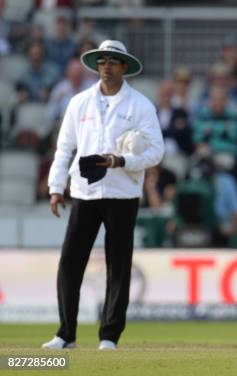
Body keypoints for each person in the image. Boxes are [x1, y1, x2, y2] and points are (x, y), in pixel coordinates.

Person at [43, 40, 164, 350]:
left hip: (122, 193)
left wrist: (123, 161)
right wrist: (56, 188)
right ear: (97, 66)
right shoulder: (79, 103)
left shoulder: (140, 105)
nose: (106, 66)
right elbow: (65, 148)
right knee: (70, 262)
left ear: (124, 67)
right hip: (85, 191)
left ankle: (109, 336)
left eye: (113, 61)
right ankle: (66, 334)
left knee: (119, 265)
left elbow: (156, 151)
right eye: (102, 61)